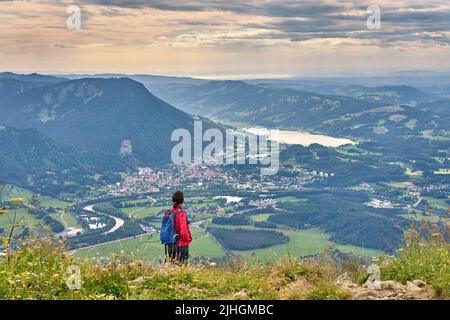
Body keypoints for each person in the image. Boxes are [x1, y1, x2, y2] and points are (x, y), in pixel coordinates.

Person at [165, 190, 192, 263]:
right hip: (181, 245)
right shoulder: (181, 214)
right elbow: (183, 231)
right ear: (182, 200)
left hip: (170, 244)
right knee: (182, 267)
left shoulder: (169, 212)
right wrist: (188, 239)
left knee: (172, 266)